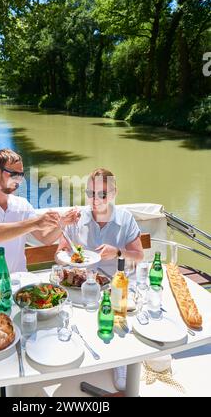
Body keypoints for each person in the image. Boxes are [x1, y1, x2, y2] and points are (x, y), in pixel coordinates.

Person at [57, 168, 144, 392]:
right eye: (91, 193)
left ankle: (122, 359)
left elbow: (138, 256)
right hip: (85, 284)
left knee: (119, 312)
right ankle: (77, 353)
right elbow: (59, 254)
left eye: (103, 194)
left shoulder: (125, 218)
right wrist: (69, 257)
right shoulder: (77, 218)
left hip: (117, 285)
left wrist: (117, 252)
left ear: (114, 193)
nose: (96, 199)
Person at [0, 148, 78, 285]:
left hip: (19, 284)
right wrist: (35, 223)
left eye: (21, 175)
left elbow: (45, 238)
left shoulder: (22, 205)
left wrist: (62, 223)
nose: (19, 180)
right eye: (13, 174)